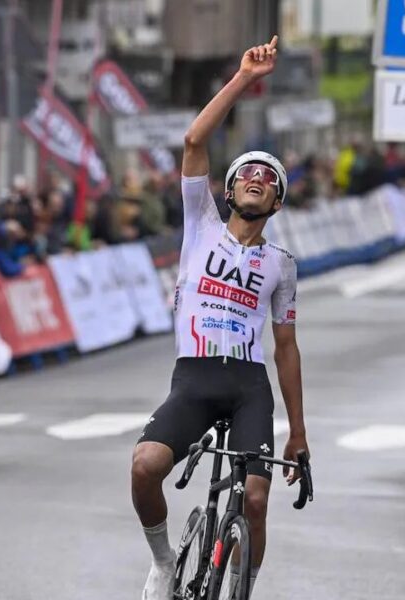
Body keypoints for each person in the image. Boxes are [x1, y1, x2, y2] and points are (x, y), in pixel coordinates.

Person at [130, 35, 309, 600]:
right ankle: (163, 563)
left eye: (269, 177)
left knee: (255, 500)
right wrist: (242, 80)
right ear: (228, 190)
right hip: (196, 378)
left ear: (277, 201)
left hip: (249, 387)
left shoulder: (281, 264)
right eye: (247, 173)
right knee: (144, 467)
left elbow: (286, 349)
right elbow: (192, 139)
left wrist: (298, 434)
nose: (257, 178)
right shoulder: (200, 227)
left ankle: (243, 587)